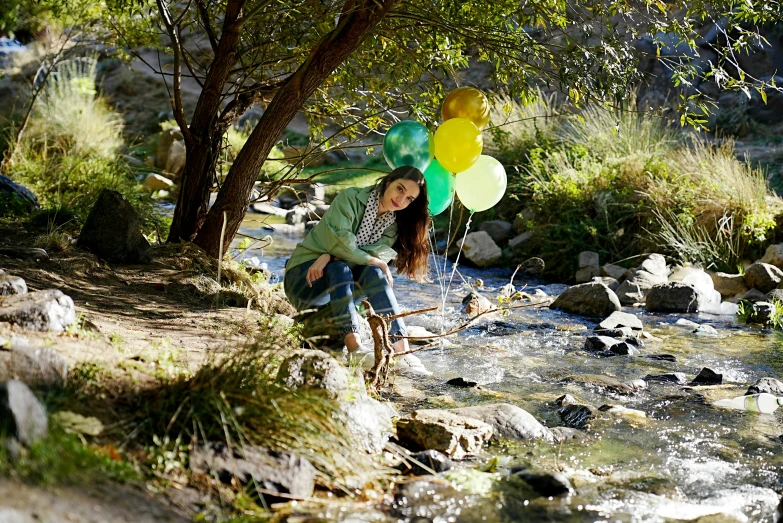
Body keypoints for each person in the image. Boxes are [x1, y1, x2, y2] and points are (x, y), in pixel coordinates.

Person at [284, 166, 431, 374]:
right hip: (303, 280)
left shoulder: (392, 226)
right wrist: (339, 254)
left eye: (409, 198)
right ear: (388, 181)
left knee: (372, 271)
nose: (401, 199)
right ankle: (354, 348)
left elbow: (354, 254)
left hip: (336, 290)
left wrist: (330, 255)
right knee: (342, 266)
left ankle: (402, 351)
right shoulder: (350, 198)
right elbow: (344, 244)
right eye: (400, 189)